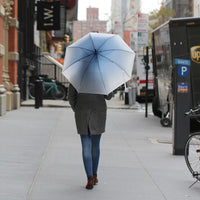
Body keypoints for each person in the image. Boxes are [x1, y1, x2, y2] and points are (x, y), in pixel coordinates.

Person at [68, 84, 112, 190]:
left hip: (81, 111)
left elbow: (71, 97)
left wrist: (77, 109)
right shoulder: (102, 75)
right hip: (99, 111)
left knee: (85, 145)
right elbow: (109, 96)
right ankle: (95, 175)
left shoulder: (76, 74)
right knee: (95, 146)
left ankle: (89, 178)